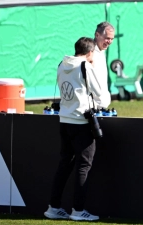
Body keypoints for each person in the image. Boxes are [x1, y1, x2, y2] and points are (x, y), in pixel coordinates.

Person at [44, 37, 111, 221]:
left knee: (64, 165)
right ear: (90, 52)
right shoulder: (85, 66)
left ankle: (54, 207)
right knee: (83, 167)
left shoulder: (61, 64)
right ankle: (78, 210)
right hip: (81, 123)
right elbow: (102, 97)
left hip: (64, 121)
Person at [93, 22, 115, 95]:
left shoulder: (101, 51)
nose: (110, 42)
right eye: (107, 38)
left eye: (112, 39)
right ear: (97, 35)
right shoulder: (89, 53)